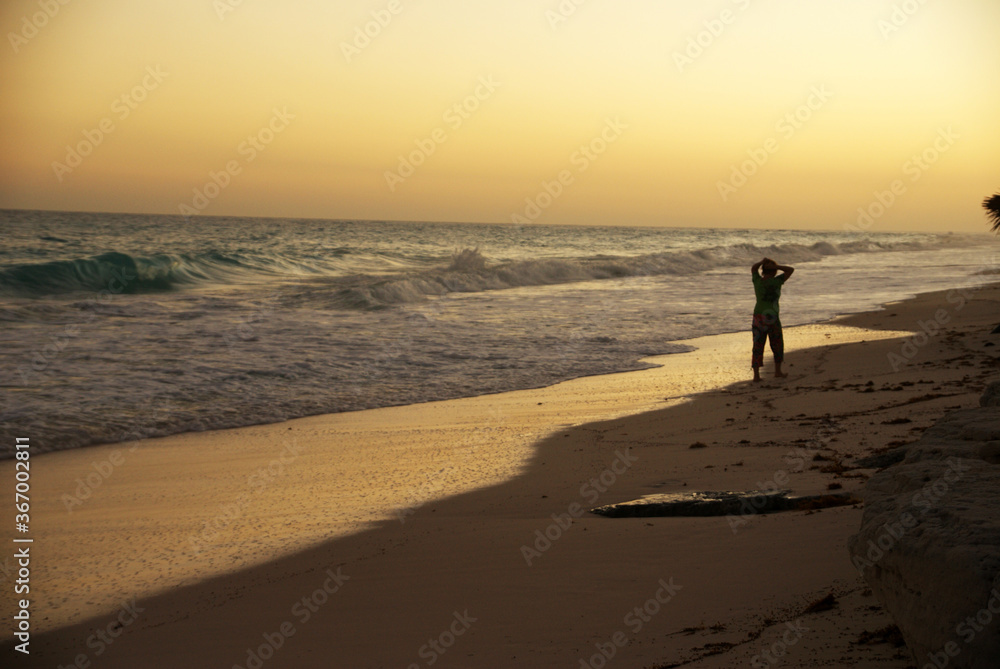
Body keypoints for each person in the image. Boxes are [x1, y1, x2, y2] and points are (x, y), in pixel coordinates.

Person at [750, 257, 794, 382]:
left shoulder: (758, 281)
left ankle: (756, 375)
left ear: (762, 270)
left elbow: (753, 268)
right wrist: (776, 267)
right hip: (772, 317)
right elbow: (790, 270)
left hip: (758, 317)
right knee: (777, 343)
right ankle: (777, 371)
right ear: (774, 271)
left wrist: (761, 262)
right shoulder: (777, 281)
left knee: (758, 344)